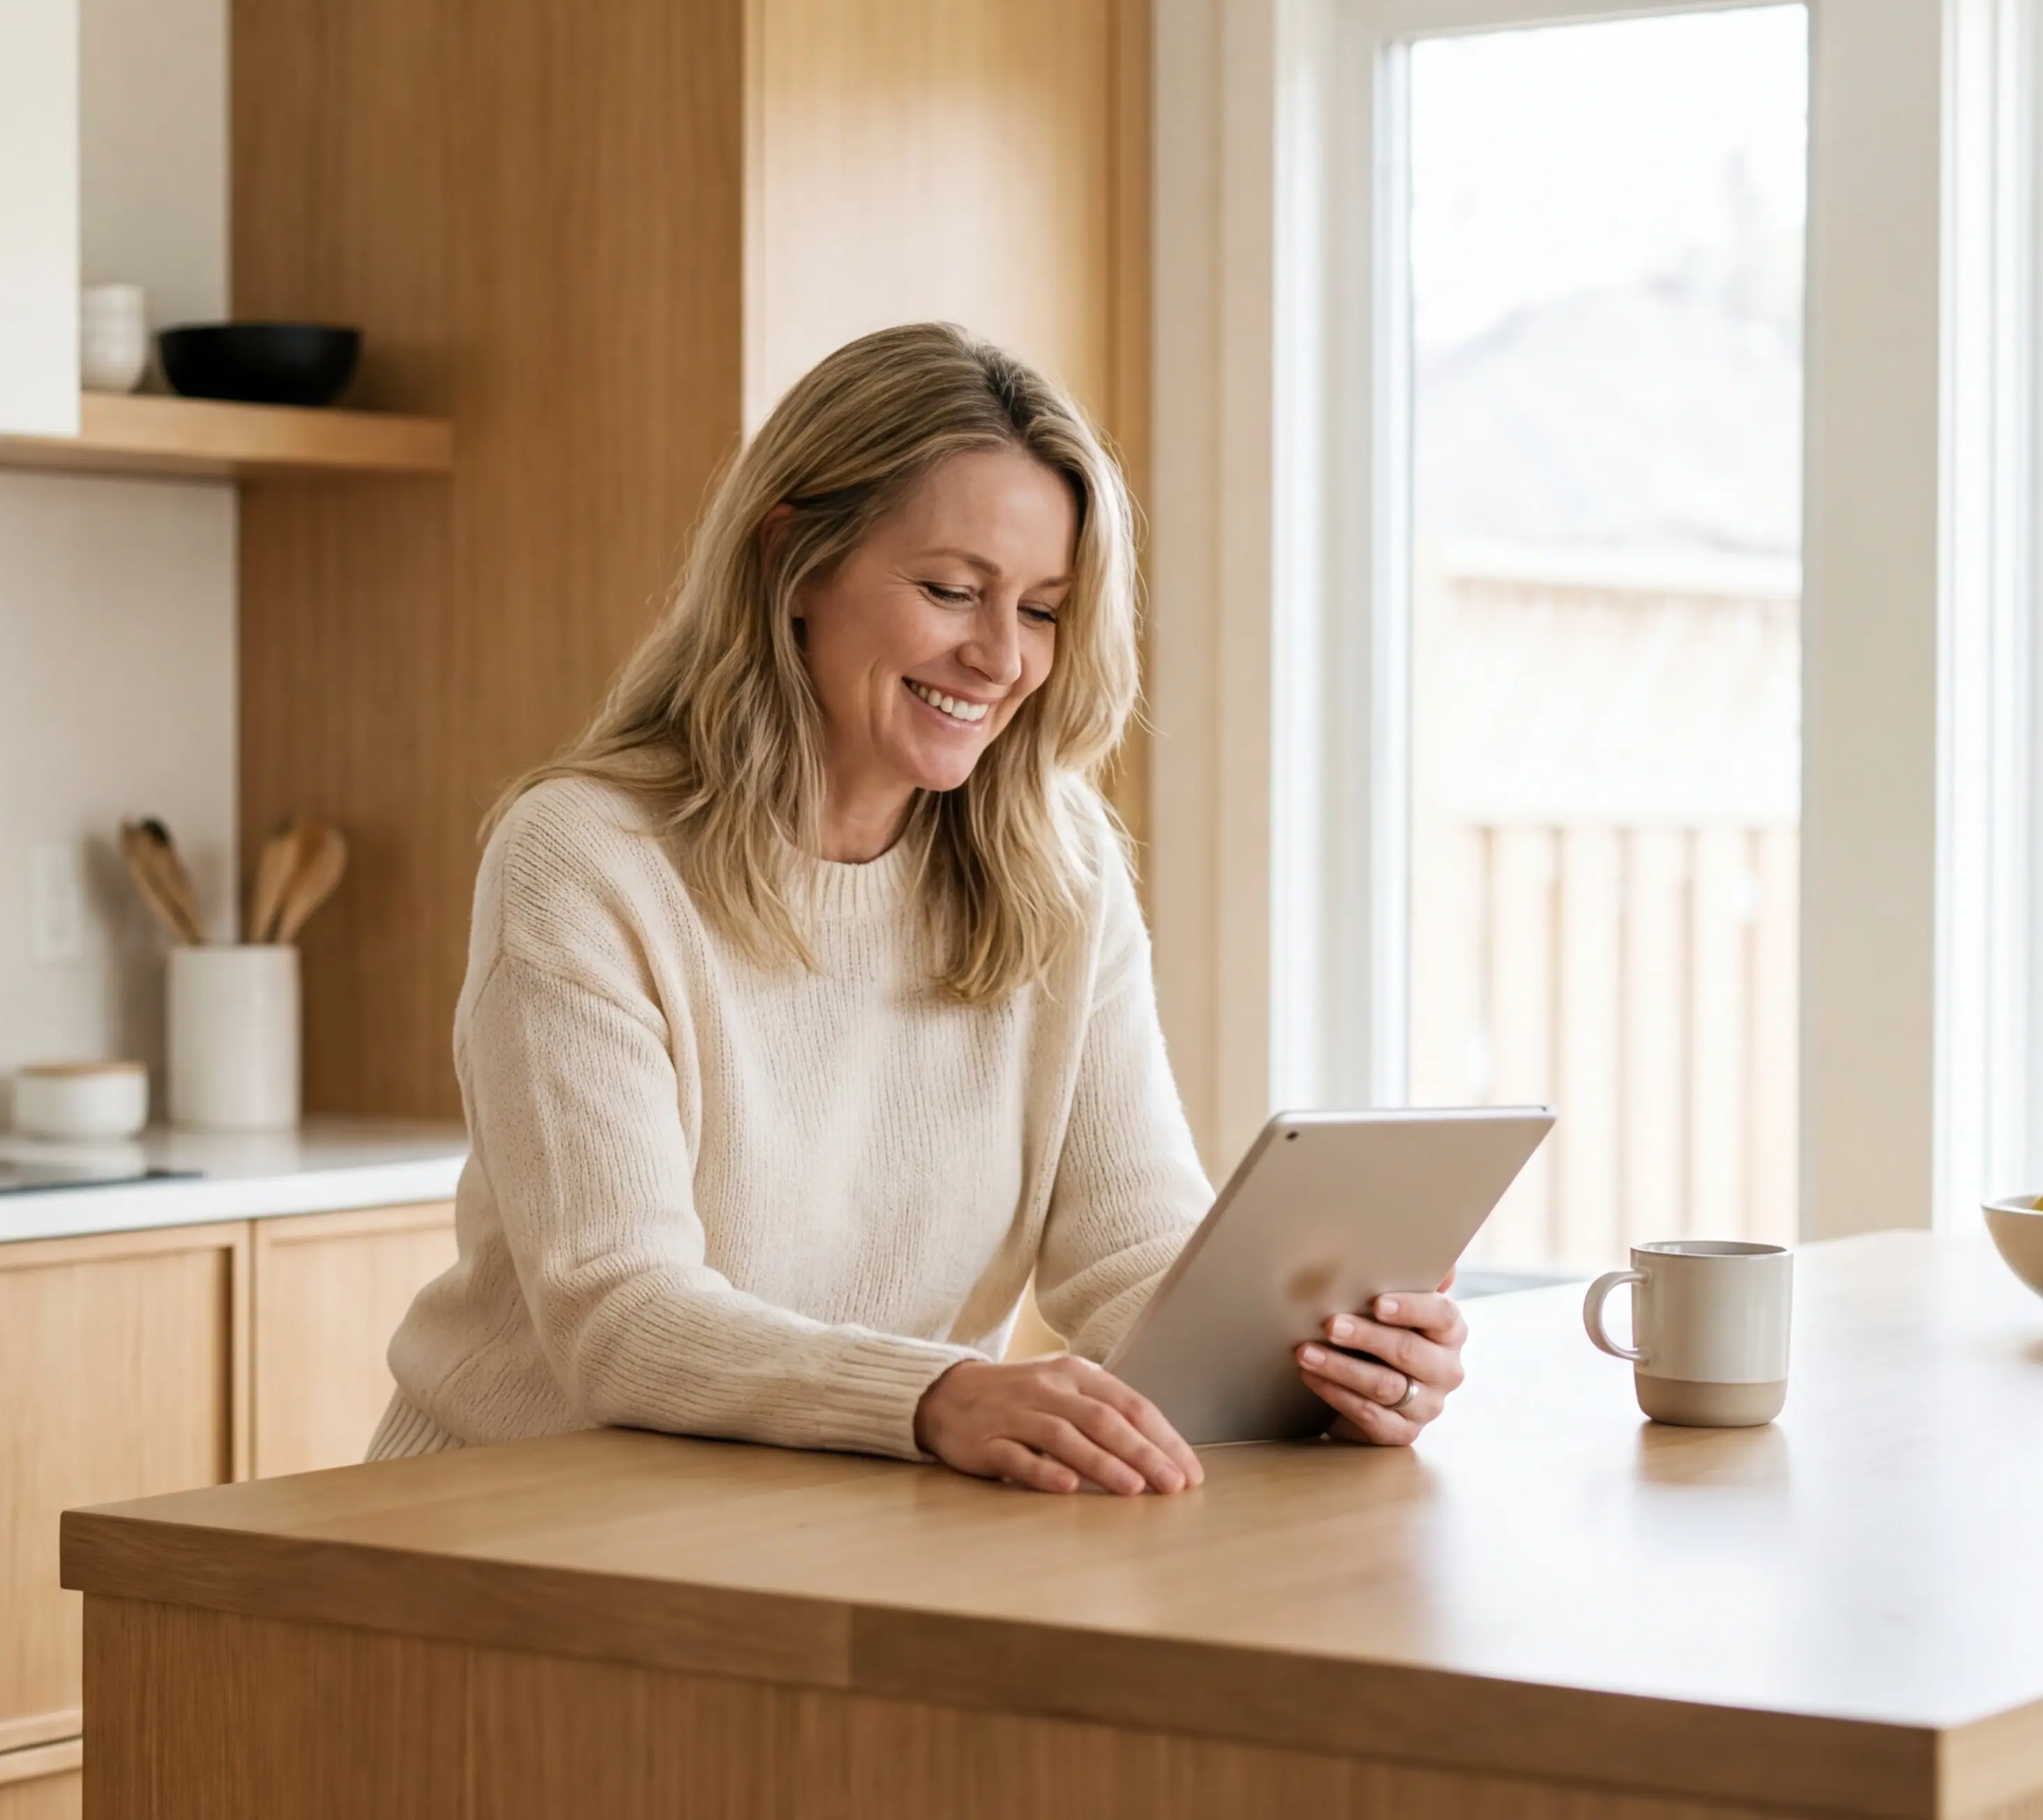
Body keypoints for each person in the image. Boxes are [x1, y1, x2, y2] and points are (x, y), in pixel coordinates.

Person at [367, 323, 1469, 1493]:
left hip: (831, 1517)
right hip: (508, 1518)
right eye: (953, 591)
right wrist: (935, 1396)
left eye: (1043, 610)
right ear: (792, 562)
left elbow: (1129, 1248)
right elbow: (620, 1316)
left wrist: (1317, 1360)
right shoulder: (588, 858)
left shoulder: (1063, 864)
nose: (1000, 658)